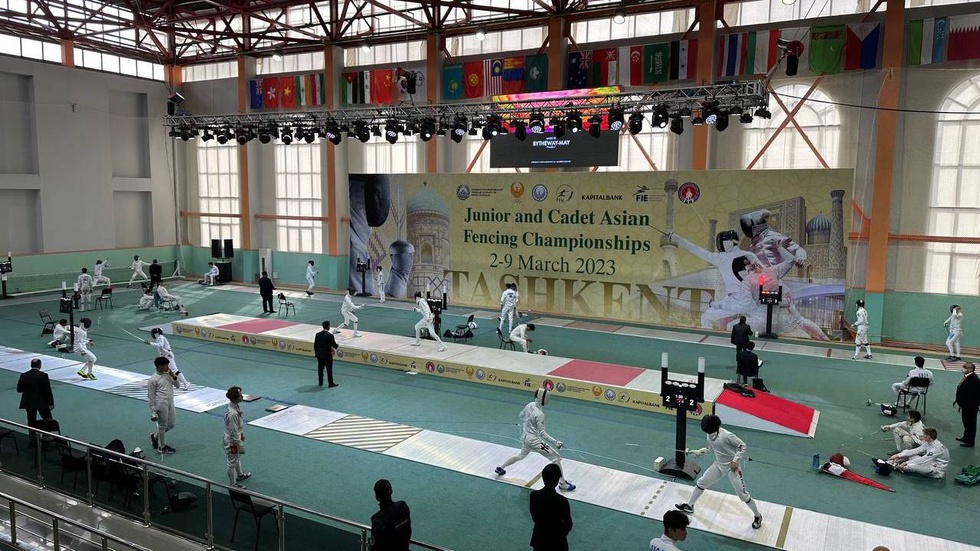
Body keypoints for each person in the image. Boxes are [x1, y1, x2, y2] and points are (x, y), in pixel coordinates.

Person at [675, 414, 762, 530]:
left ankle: (758, 516)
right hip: (718, 465)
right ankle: (690, 506)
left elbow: (742, 445)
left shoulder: (727, 436)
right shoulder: (709, 434)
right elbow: (712, 447)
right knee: (701, 483)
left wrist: (735, 460)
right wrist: (699, 451)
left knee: (743, 495)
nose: (707, 432)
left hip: (732, 468)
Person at [495, 388, 576, 492]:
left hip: (525, 437)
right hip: (533, 440)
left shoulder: (530, 404)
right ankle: (563, 484)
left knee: (521, 456)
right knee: (556, 457)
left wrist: (527, 422)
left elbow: (521, 415)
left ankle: (501, 468)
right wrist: (555, 442)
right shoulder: (540, 414)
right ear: (543, 398)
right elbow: (542, 433)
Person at [529, 463, 573, 551]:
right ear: (557, 480)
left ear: (543, 477)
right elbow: (568, 524)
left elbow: (534, 517)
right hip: (557, 541)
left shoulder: (534, 495)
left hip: (539, 537)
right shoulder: (562, 501)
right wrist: (560, 534)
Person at [369, 479, 411, 551]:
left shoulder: (378, 520)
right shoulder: (403, 507)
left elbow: (374, 547)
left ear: (377, 496)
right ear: (391, 491)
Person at [148, 356, 177, 454]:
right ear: (159, 366)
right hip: (160, 404)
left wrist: (173, 376)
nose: (167, 367)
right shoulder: (153, 379)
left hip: (170, 401)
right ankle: (162, 447)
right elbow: (151, 396)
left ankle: (154, 436)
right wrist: (153, 410)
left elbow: (178, 385)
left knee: (171, 425)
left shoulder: (167, 375)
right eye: (166, 365)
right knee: (162, 425)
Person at [223, 385, 251, 488]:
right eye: (240, 395)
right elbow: (233, 431)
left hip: (234, 438)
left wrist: (241, 434)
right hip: (232, 442)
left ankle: (240, 475)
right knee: (232, 462)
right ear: (235, 398)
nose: (242, 396)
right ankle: (233, 484)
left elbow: (237, 426)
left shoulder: (234, 406)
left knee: (236, 458)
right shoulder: (233, 413)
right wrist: (240, 444)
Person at [18, 358, 54, 428]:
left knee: (31, 421)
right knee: (48, 420)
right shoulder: (43, 375)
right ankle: (47, 434)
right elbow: (47, 390)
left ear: (31, 365)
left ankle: (32, 435)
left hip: (28, 402)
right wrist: (51, 403)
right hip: (42, 402)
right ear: (40, 365)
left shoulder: (24, 375)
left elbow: (19, 389)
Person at [954, 362, 980, 448]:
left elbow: (974, 394)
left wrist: (966, 403)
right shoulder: (967, 377)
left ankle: (970, 441)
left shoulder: (974, 379)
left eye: (965, 367)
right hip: (965, 405)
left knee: (971, 424)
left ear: (971, 369)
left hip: (970, 406)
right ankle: (966, 437)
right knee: (966, 422)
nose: (963, 368)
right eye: (963, 366)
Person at [314, 321, 339, 387]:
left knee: (320, 368)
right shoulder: (330, 335)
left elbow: (315, 345)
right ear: (328, 327)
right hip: (327, 355)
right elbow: (334, 345)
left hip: (319, 354)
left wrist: (316, 353)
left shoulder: (317, 334)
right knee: (329, 369)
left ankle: (320, 382)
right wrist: (337, 345)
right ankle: (330, 383)